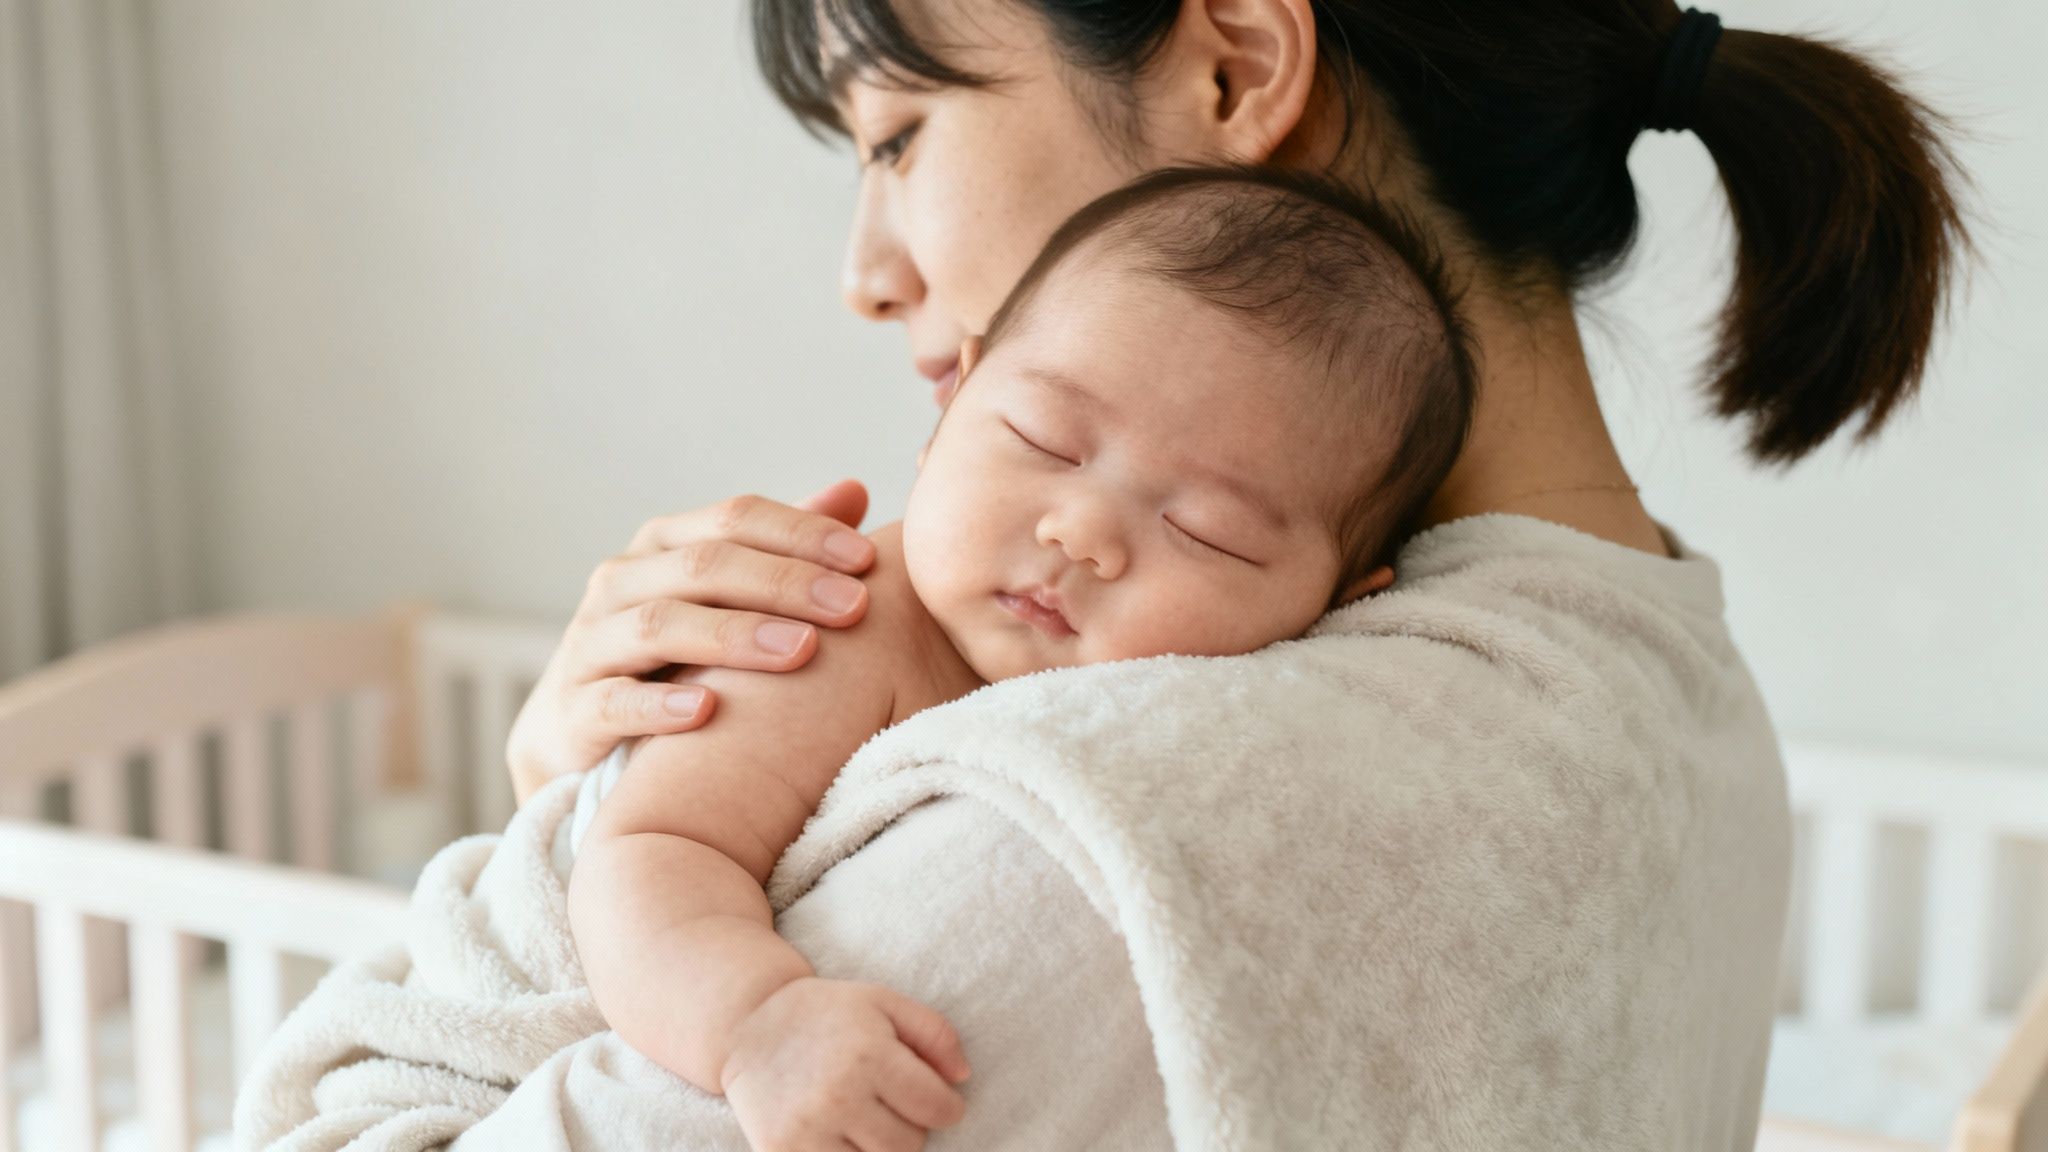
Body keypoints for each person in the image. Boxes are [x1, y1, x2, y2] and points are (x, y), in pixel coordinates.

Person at [504, 1, 1968, 1144]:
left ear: (1236, 68)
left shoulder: (1113, 825)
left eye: (898, 136)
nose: (864, 271)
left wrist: (533, 850)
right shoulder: (1683, 684)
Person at [569, 166, 1475, 1151]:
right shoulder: (846, 627)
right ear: (951, 400)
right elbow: (649, 853)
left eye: (1209, 535)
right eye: (1043, 439)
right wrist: (754, 1025)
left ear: (1335, 606)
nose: (1082, 532)